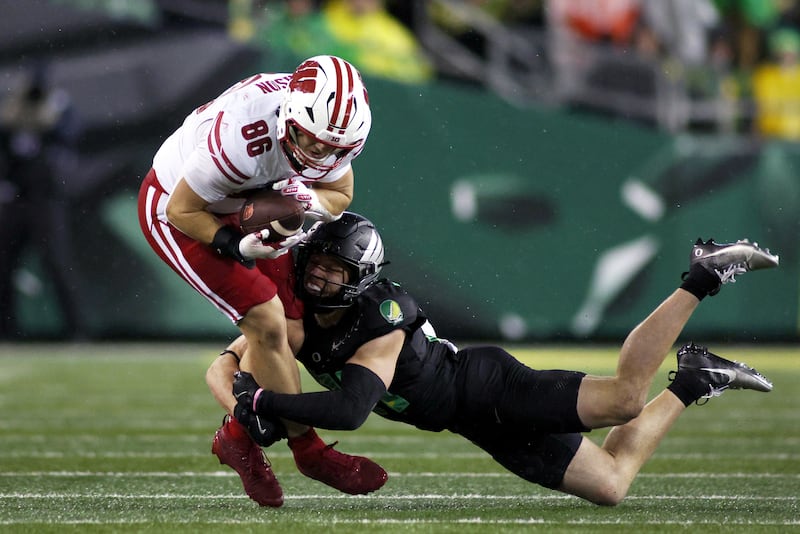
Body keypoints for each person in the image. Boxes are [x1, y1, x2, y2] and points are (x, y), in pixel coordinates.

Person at [212, 212, 779, 504]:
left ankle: (702, 274)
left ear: (360, 278)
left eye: (335, 270)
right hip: (472, 422)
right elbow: (224, 367)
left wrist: (263, 401)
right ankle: (694, 378)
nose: (319, 277)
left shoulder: (380, 318)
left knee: (626, 398)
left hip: (486, 387)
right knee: (610, 485)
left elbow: (351, 409)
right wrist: (242, 404)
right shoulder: (287, 318)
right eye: (316, 263)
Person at [137, 55, 385, 508]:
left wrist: (304, 199)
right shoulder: (243, 135)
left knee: (291, 330)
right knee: (268, 323)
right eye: (309, 140)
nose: (317, 154)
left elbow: (339, 193)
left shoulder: (327, 130)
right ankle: (309, 451)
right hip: (179, 209)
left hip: (246, 201)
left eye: (330, 148)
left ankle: (236, 436)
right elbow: (181, 210)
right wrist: (236, 245)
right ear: (290, 117)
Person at [0, 62, 87, 340]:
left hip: (46, 200)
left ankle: (76, 331)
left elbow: (69, 139)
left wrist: (51, 119)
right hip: (15, 198)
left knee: (57, 265)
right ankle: (8, 330)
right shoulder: (14, 108)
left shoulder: (59, 107)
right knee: (5, 265)